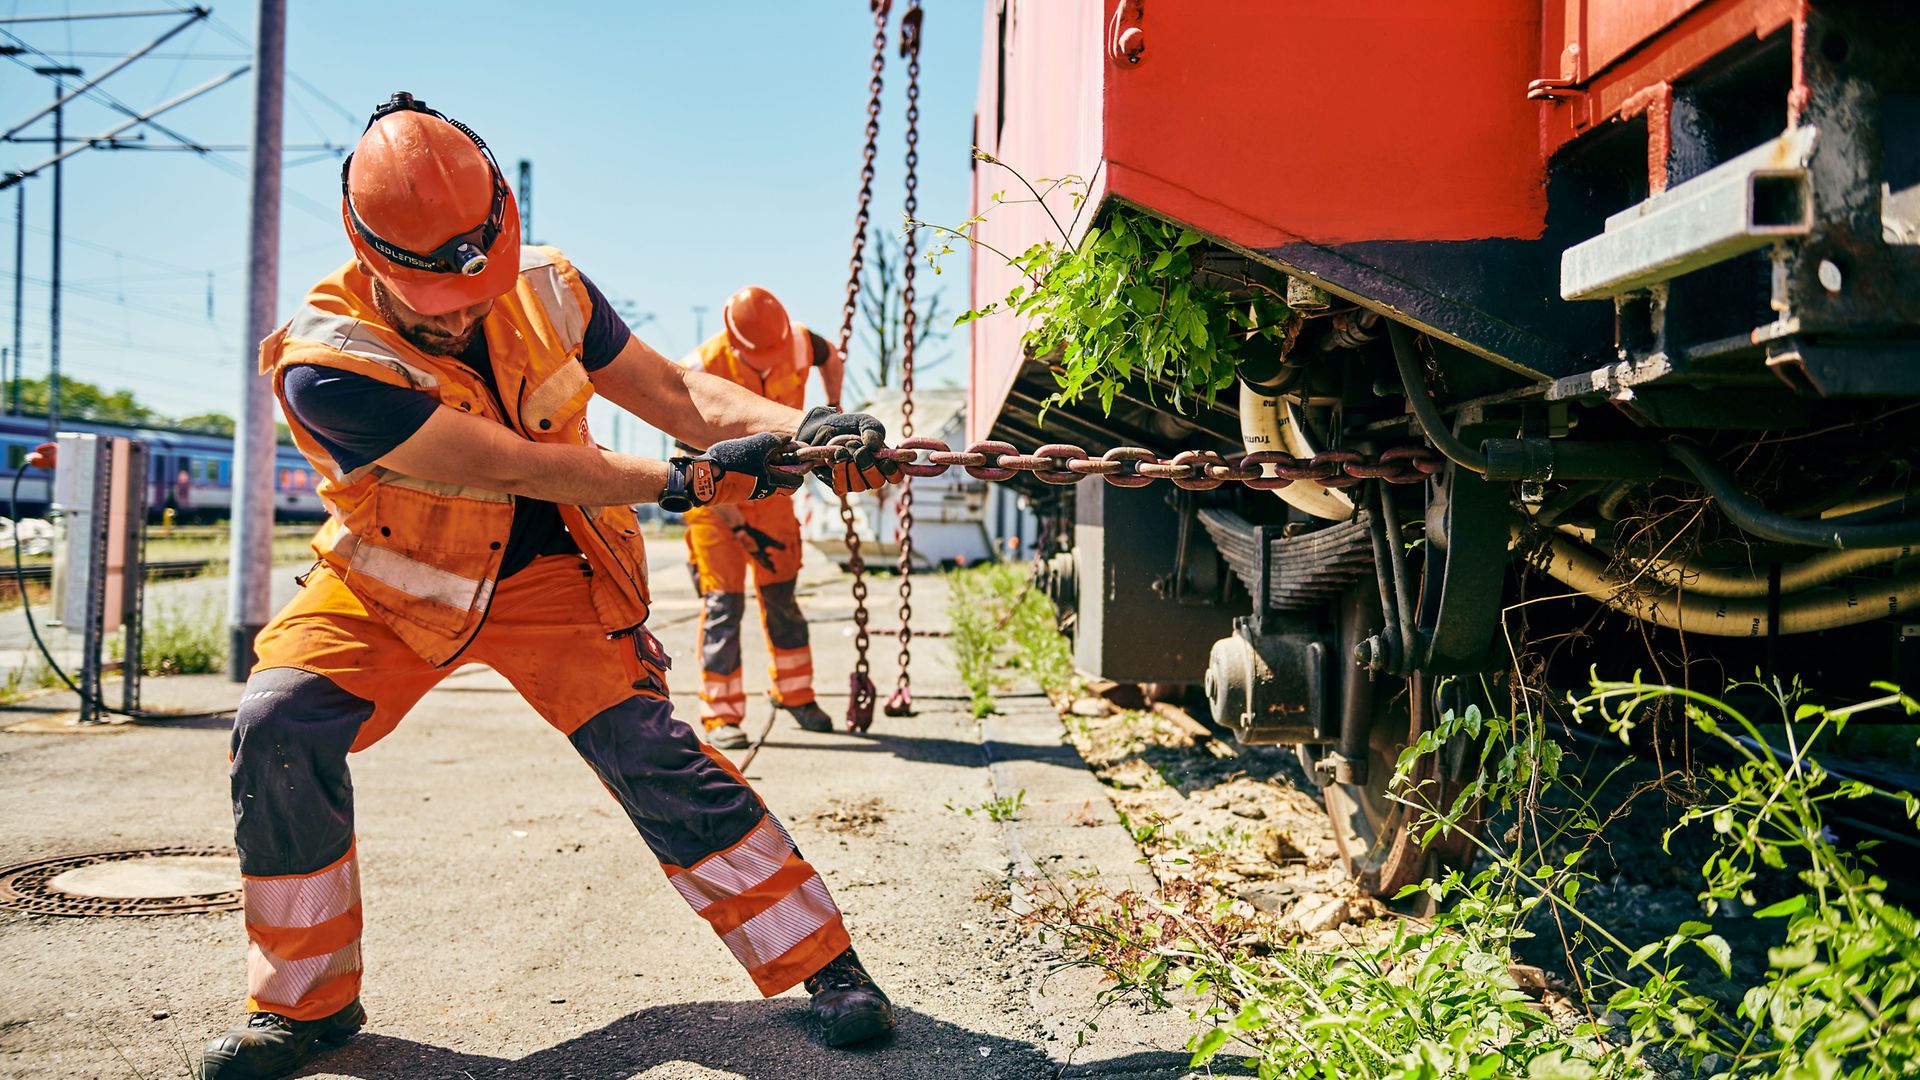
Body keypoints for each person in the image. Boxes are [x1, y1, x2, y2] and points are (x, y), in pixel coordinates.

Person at [200, 92, 903, 1080]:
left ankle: (827, 965)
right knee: (277, 724)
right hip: (394, 586)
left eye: (478, 287)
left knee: (654, 755)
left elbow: (675, 392)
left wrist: (806, 432)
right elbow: (509, 465)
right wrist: (683, 480)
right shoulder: (327, 363)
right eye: (437, 307)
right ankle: (305, 1004)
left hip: (555, 577)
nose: (469, 313)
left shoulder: (550, 288)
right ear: (373, 260)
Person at [678, 287, 843, 748]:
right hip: (715, 502)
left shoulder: (800, 341)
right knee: (722, 607)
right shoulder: (700, 368)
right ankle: (722, 715)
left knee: (783, 597)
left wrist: (835, 405)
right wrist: (739, 527)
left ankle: (795, 694)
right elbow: (694, 467)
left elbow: (831, 358)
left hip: (774, 494)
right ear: (734, 343)